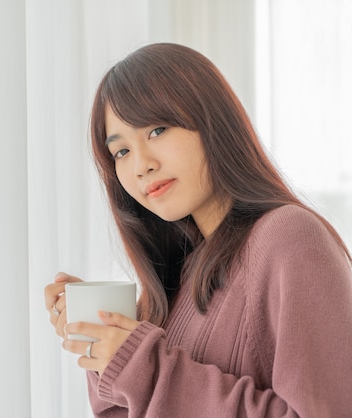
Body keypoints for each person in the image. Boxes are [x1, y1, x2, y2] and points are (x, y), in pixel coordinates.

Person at [44, 43, 352, 417]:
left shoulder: (289, 238)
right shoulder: (179, 276)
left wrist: (148, 369)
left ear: (213, 122)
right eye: (121, 151)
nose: (141, 165)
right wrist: (105, 343)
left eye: (157, 130)